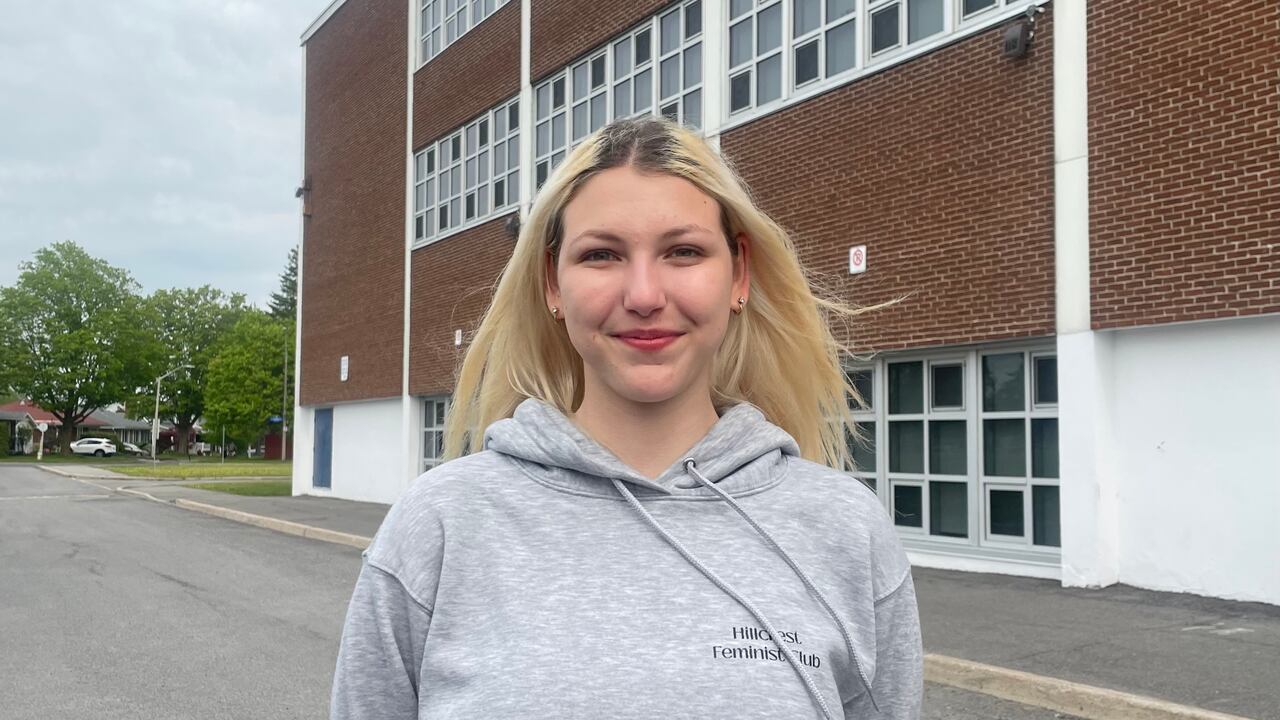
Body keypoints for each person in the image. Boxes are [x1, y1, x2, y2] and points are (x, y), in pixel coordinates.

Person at [329, 117, 923, 719]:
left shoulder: (845, 530)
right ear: (552, 284)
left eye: (683, 252)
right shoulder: (441, 523)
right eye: (602, 255)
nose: (643, 295)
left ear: (738, 274)